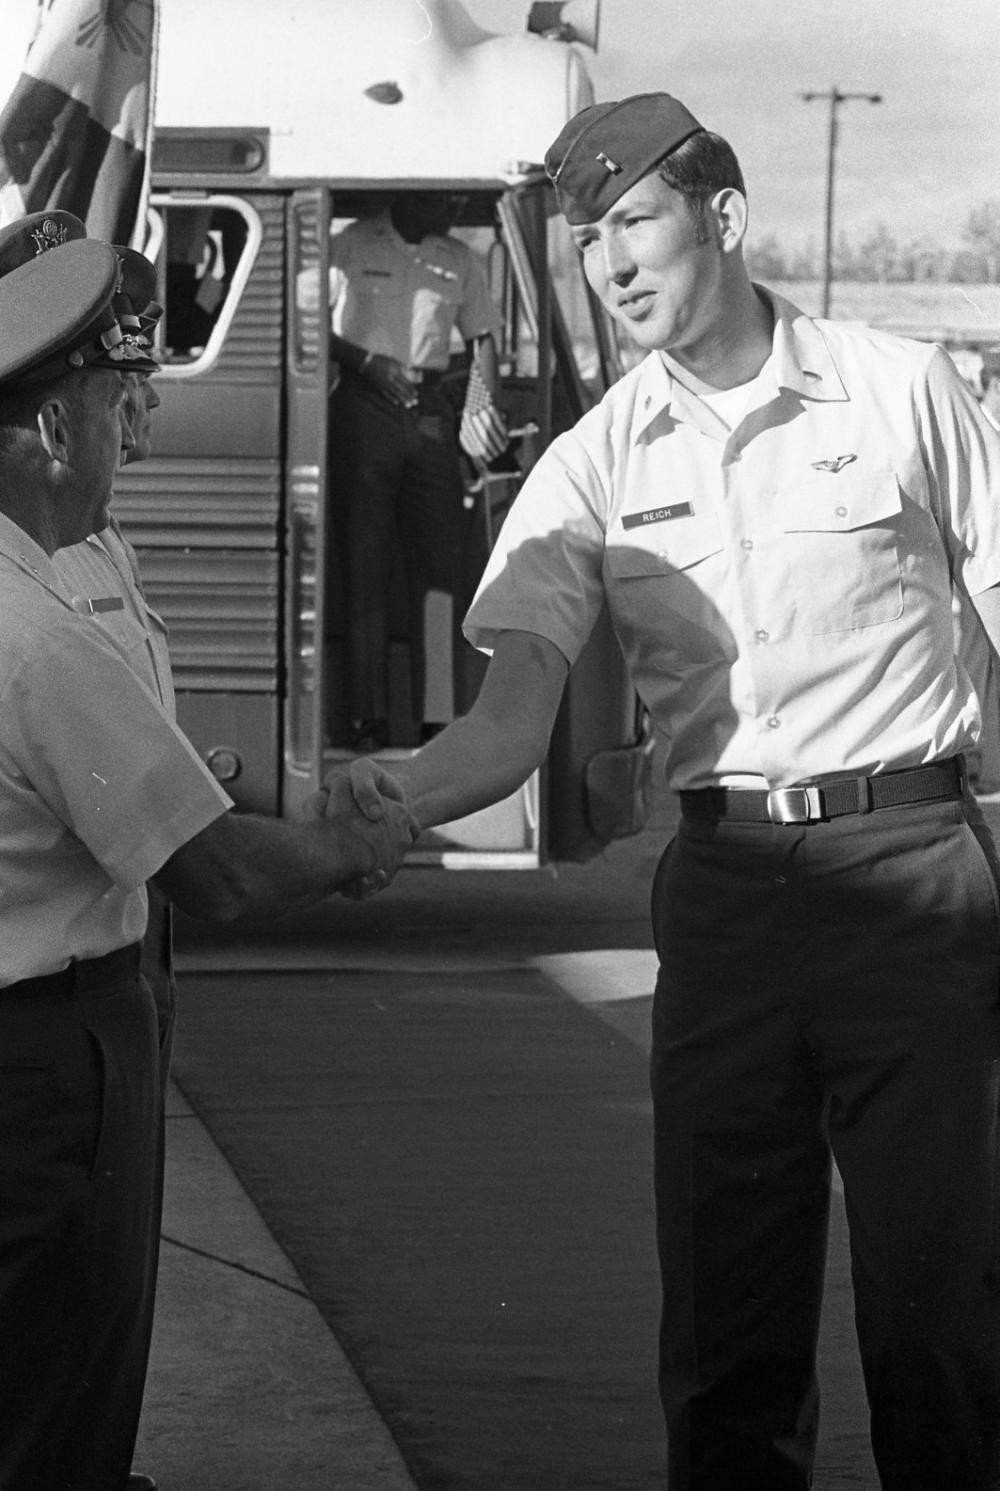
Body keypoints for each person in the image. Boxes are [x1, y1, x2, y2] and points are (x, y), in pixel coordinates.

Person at [346, 94, 1000, 1489]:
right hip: (726, 905)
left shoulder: (905, 391)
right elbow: (504, 730)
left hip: (916, 876)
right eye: (588, 243)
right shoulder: (591, 468)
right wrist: (362, 803)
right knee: (725, 1340)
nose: (613, 266)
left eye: (634, 222)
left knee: (946, 1327)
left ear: (726, 217)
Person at [0, 211, 416, 1491]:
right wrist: (353, 844)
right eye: (120, 394)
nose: (143, 425)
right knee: (58, 1403)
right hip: (46, 1062)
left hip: (67, 1019)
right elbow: (218, 872)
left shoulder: (64, 568)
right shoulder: (31, 631)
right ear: (54, 428)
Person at [325, 191, 506, 751]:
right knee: (365, 568)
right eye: (444, 198)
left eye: (458, 200)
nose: (453, 209)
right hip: (362, 406)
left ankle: (436, 722)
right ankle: (367, 722)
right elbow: (309, 327)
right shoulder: (348, 245)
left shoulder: (460, 258)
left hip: (430, 412)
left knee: (439, 576)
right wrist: (365, 361)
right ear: (407, 192)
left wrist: (479, 405)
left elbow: (482, 341)